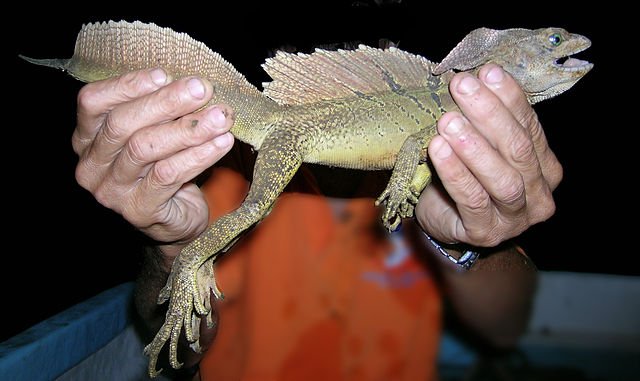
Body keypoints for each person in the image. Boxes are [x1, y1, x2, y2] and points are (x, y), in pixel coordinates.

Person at [72, 61, 559, 380]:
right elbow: (180, 351)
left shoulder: (447, 159)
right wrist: (178, 248)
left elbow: (507, 325)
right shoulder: (215, 167)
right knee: (255, 208)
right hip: (290, 136)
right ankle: (196, 261)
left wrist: (460, 235)